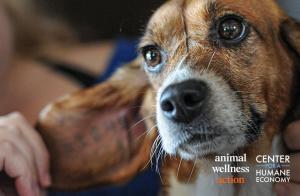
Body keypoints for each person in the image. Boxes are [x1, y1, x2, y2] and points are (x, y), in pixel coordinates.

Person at [0, 0, 299, 196]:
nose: (175, 97)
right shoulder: (143, 95)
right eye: (154, 56)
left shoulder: (141, 82)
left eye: (230, 29)